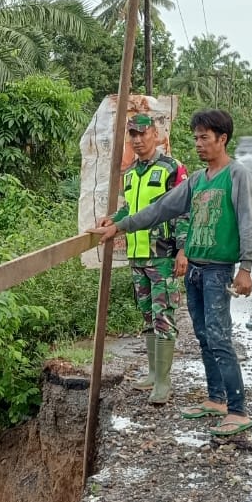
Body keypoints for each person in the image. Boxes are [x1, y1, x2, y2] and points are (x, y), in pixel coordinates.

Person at [93, 109, 252, 436]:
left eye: (204, 138)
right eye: (196, 138)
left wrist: (246, 268)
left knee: (219, 336)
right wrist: (121, 225)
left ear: (222, 139)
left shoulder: (237, 175)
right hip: (196, 270)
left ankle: (238, 410)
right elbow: (160, 209)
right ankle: (216, 399)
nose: (198, 144)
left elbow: (247, 222)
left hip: (217, 270)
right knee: (202, 335)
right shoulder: (197, 180)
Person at [109, 112, 187, 405]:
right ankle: (153, 374)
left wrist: (183, 250)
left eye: (144, 134)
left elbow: (184, 211)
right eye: (133, 135)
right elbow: (130, 208)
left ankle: (164, 383)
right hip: (137, 255)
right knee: (147, 317)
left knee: (164, 317)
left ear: (156, 135)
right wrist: (112, 220)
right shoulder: (130, 173)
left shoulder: (172, 168)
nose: (138, 140)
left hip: (163, 255)